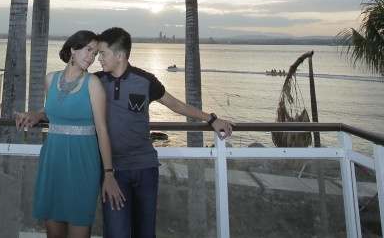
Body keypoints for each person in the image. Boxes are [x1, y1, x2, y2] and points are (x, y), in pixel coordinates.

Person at [95, 26, 235, 238]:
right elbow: (71, 103)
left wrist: (211, 119)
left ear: (120, 55)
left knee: (145, 233)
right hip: (114, 171)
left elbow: (176, 105)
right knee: (116, 233)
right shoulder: (95, 81)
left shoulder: (145, 80)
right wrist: (39, 114)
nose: (99, 59)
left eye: (103, 54)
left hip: (146, 169)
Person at [15, 30, 125, 238]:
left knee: (79, 224)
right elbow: (53, 113)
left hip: (82, 163)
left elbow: (102, 129)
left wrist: (109, 173)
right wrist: (36, 115)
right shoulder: (50, 79)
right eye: (88, 50)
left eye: (95, 53)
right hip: (53, 161)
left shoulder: (93, 83)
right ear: (73, 50)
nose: (92, 57)